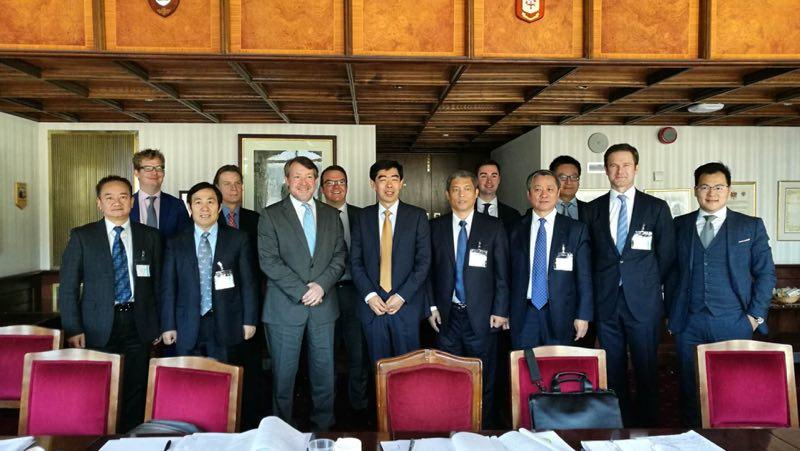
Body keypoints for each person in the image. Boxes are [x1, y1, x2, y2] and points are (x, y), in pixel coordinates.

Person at [667, 162, 776, 427]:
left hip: (734, 320)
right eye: (705, 187)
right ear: (696, 190)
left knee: (733, 387)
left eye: (718, 187)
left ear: (729, 190)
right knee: (689, 387)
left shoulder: (750, 226)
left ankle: (732, 440)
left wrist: (754, 317)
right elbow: (670, 273)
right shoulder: (678, 225)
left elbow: (766, 274)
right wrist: (672, 314)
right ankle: (692, 437)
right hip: (688, 322)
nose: (711, 193)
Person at [59, 175, 162, 433]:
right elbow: (69, 287)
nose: (117, 202)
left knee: (136, 386)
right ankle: (102, 440)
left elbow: (160, 285)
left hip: (138, 322)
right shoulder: (82, 236)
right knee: (99, 386)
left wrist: (159, 324)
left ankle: (132, 440)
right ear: (99, 203)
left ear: (132, 201)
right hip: (96, 325)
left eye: (123, 196)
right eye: (109, 197)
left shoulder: (150, 236)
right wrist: (73, 328)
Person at [583, 143, 676, 427]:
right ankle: (618, 426)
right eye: (613, 165)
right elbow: (588, 257)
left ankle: (649, 427)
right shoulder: (592, 209)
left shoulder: (656, 207)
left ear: (636, 168)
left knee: (646, 367)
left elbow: (667, 255)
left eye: (625, 165)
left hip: (643, 303)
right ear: (606, 170)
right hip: (606, 301)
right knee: (613, 369)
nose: (619, 171)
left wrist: (644, 285)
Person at [258, 156, 346, 431]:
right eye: (297, 176)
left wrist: (321, 286)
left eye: (309, 176)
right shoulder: (270, 215)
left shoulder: (331, 215)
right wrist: (302, 291)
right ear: (287, 180)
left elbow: (339, 256)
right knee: (283, 375)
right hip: (285, 307)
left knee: (324, 372)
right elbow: (269, 261)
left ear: (316, 181)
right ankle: (281, 430)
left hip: (323, 305)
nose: (304, 182)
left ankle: (324, 426)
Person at [427, 169, 509, 424]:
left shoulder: (493, 227)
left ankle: (484, 430)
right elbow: (427, 272)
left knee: (484, 376)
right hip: (447, 317)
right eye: (455, 190)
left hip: (483, 318)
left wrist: (500, 310)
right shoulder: (435, 228)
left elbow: (503, 273)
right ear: (447, 195)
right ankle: (451, 426)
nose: (461, 195)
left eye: (466, 189)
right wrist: (431, 307)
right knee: (448, 375)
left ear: (475, 193)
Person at [160, 182, 258, 362]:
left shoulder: (238, 239)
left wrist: (249, 320)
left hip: (226, 322)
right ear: (190, 207)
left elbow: (248, 284)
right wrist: (168, 325)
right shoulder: (175, 242)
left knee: (224, 375)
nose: (204, 208)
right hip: (186, 324)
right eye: (198, 202)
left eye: (210, 202)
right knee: (188, 376)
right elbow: (168, 288)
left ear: (219, 207)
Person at [351, 160, 431, 363]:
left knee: (408, 367)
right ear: (372, 184)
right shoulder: (362, 217)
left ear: (401, 183)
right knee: (378, 368)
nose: (389, 185)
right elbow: (355, 261)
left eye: (394, 179)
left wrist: (402, 295)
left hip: (406, 307)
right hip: (373, 307)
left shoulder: (417, 216)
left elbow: (423, 262)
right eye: (382, 179)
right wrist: (370, 296)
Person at [508, 170, 592, 349]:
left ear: (558, 192)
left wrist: (583, 315)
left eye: (550, 189)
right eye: (537, 189)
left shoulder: (576, 230)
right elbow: (505, 274)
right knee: (524, 363)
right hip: (524, 313)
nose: (544, 194)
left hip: (562, 313)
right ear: (529, 194)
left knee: (558, 364)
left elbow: (584, 277)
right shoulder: (514, 229)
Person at [213, 164, 265, 429]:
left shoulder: (256, 219)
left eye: (237, 183)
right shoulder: (207, 218)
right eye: (227, 183)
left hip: (250, 304)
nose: (233, 188)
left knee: (251, 367)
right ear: (217, 188)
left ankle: (250, 424)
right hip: (218, 308)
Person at [321, 165, 369, 415]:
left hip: (356, 292)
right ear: (322, 189)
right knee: (325, 352)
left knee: (357, 351)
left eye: (340, 181)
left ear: (347, 186)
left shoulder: (363, 216)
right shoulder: (314, 215)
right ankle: (327, 407)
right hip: (324, 293)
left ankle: (358, 407)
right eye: (330, 182)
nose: (336, 186)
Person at [130, 149, 192, 240]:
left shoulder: (177, 205)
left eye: (158, 168)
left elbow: (185, 240)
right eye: (148, 168)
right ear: (136, 173)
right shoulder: (125, 204)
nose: (154, 173)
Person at [475, 159, 521, 230]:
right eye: (484, 176)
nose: (489, 181)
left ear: (499, 179)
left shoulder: (513, 215)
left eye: (494, 176)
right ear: (476, 180)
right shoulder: (465, 211)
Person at [549, 155, 588, 221]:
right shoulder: (541, 209)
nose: (569, 182)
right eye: (563, 177)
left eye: (574, 177)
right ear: (552, 179)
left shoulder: (591, 210)